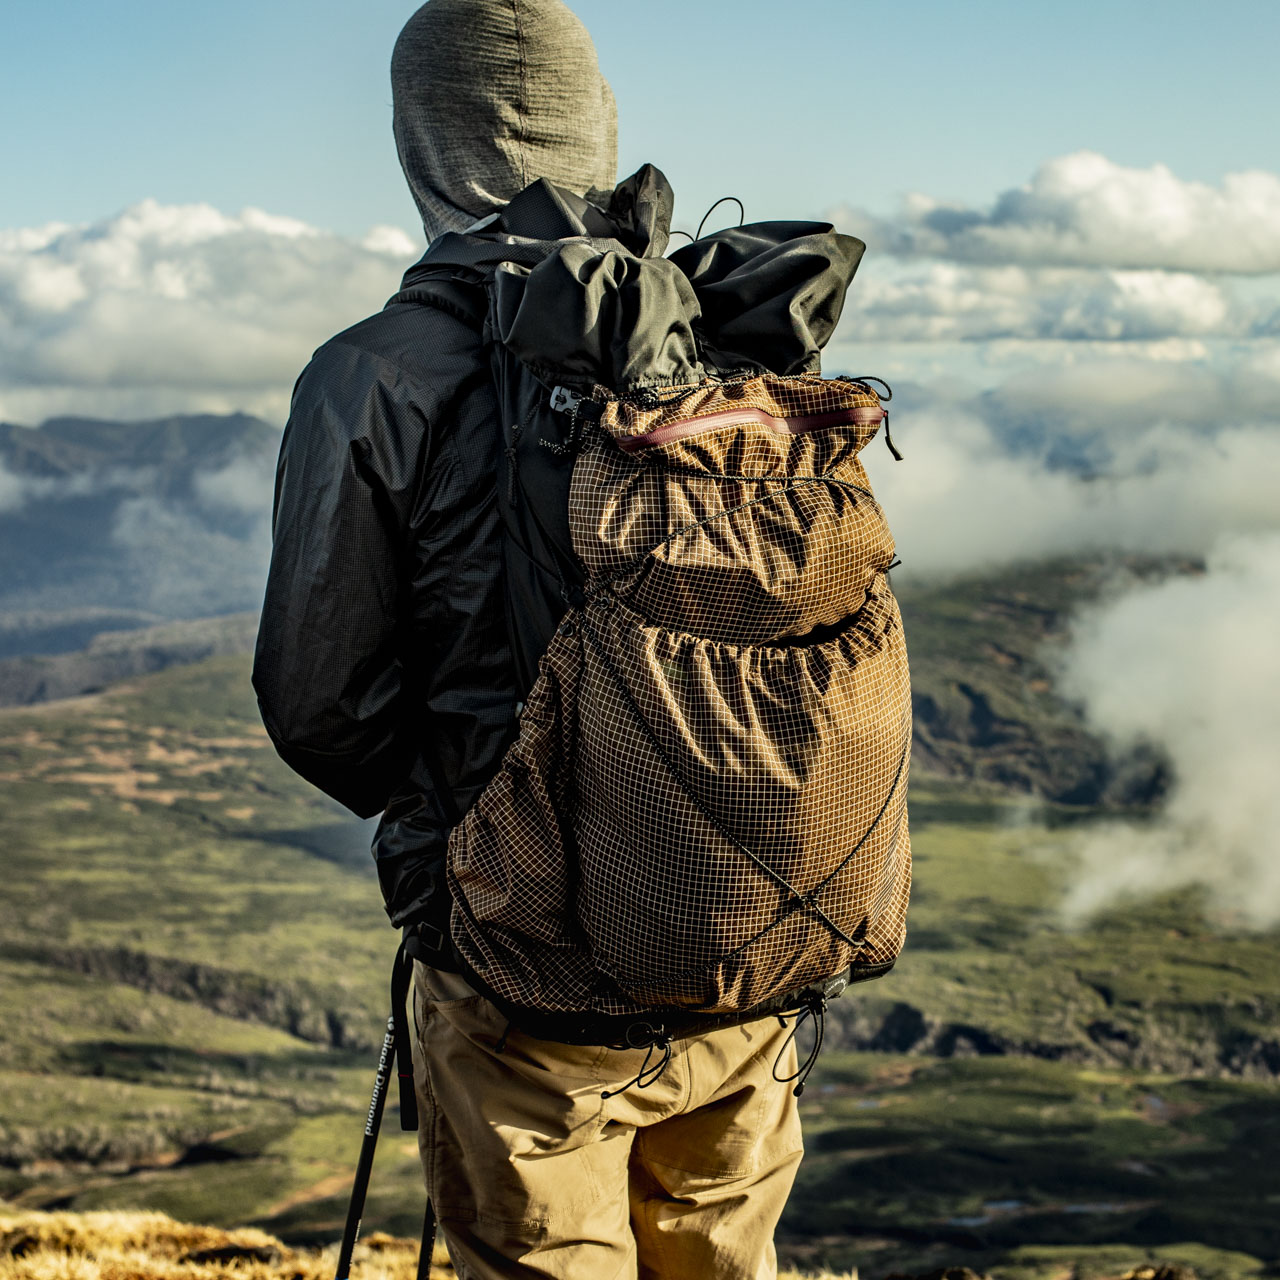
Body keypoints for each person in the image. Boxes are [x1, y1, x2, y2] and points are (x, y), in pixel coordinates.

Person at [254, 2, 882, 1275]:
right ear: (597, 128)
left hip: (521, 969)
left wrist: (485, 822)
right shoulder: (718, 336)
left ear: (420, 145)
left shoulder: (377, 371)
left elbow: (321, 701)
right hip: (743, 941)